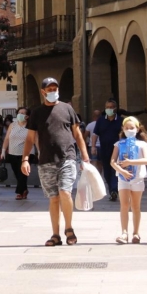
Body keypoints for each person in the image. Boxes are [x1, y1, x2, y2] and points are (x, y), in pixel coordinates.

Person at [21, 77, 90, 247]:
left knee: (65, 192)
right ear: (43, 92)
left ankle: (69, 228)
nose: (53, 91)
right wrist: (25, 159)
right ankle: (55, 234)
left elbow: (77, 134)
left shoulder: (67, 109)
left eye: (55, 88)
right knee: (53, 199)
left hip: (67, 157)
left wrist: (85, 156)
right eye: (49, 89)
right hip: (45, 160)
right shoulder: (36, 113)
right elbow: (30, 138)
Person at [110, 117, 147, 244]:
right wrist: (122, 171)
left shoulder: (142, 144)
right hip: (123, 178)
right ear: (123, 129)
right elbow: (112, 161)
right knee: (124, 206)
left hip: (137, 178)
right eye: (126, 128)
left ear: (137, 129)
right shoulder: (119, 144)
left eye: (132, 128)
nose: (129, 130)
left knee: (136, 206)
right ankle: (124, 232)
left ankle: (136, 233)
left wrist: (130, 162)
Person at [91, 99, 123, 202]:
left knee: (115, 170)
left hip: (117, 149)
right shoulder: (101, 120)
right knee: (107, 171)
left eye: (111, 107)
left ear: (115, 108)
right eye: (107, 107)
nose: (109, 109)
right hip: (104, 149)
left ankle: (114, 190)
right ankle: (111, 189)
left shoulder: (120, 120)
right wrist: (93, 146)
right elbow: (95, 134)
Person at [1, 107, 31, 200]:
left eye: (23, 113)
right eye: (19, 112)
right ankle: (24, 189)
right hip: (12, 152)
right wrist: (3, 150)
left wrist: (39, 151)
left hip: (25, 154)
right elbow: (7, 138)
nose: (20, 114)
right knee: (17, 173)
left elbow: (35, 139)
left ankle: (19, 192)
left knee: (22, 173)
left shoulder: (30, 126)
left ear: (27, 116)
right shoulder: (12, 125)